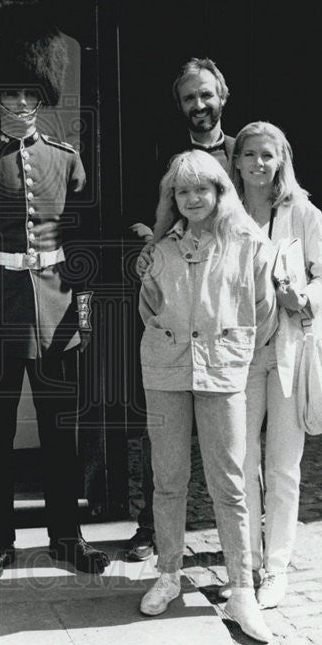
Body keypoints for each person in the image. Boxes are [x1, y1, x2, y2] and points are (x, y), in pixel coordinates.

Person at [0, 0, 109, 583]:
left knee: (60, 433)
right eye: (9, 95)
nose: (20, 105)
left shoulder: (67, 161)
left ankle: (66, 536)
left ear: (42, 100)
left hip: (59, 311)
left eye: (29, 96)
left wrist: (84, 310)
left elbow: (85, 243)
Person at [136, 149, 276, 642]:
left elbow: (263, 310)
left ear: (220, 191)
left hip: (223, 371)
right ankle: (168, 574)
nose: (193, 198)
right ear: (172, 199)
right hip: (166, 371)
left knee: (231, 483)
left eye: (202, 188)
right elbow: (149, 307)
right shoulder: (161, 249)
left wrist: (230, 351)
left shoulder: (247, 243)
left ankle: (241, 589)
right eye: (182, 191)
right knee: (167, 477)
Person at [125, 56, 236, 563]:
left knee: (233, 441)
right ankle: (153, 531)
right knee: (166, 431)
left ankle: (242, 540)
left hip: (227, 309)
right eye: (189, 97)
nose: (199, 105)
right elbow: (138, 216)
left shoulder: (243, 153)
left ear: (222, 97)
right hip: (173, 302)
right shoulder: (162, 156)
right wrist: (149, 242)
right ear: (180, 105)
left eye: (206, 95)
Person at [231, 121, 322, 609]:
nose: (258, 164)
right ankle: (247, 563)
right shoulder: (225, 210)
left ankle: (275, 569)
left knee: (281, 466)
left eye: (268, 156)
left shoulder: (300, 211)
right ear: (235, 160)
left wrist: (307, 296)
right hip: (237, 354)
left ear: (282, 161)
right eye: (250, 154)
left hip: (289, 353)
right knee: (240, 463)